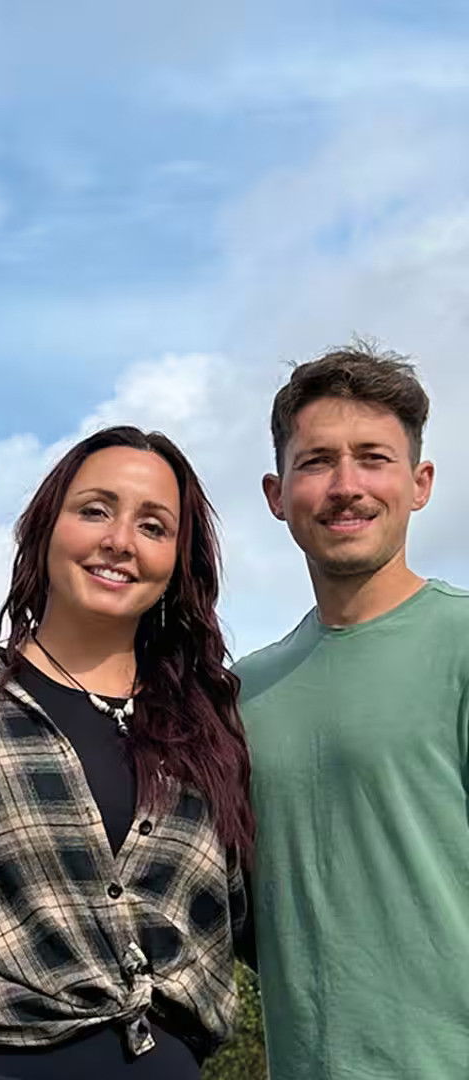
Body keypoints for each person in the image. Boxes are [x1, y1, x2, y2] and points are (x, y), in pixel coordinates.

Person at [0, 426, 256, 1079]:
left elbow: (261, 922)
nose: (121, 541)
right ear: (47, 526)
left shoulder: (211, 732)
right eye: (96, 511)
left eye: (154, 526)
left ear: (177, 564)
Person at [236, 345, 469, 1079]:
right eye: (316, 462)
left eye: (374, 458)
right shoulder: (241, 693)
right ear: (277, 494)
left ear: (420, 484)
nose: (346, 487)